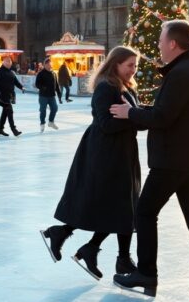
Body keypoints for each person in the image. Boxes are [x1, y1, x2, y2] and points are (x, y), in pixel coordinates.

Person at [110, 20, 189, 301]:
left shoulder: (182, 73)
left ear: (173, 44)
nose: (157, 44)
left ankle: (146, 274)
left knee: (144, 212)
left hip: (174, 159)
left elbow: (163, 118)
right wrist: (137, 109)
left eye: (160, 39)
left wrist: (129, 114)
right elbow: (168, 110)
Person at [40, 46, 141, 281]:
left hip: (122, 152)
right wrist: (132, 117)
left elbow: (133, 115)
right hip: (105, 154)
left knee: (123, 206)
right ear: (115, 64)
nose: (133, 70)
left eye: (135, 65)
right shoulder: (106, 87)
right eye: (129, 65)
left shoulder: (126, 86)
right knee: (113, 204)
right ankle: (76, 239)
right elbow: (105, 123)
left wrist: (137, 114)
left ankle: (81, 242)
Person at [0, 56, 24, 137]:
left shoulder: (11, 72)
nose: (9, 63)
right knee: (9, 111)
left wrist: (21, 87)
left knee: (5, 112)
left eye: (10, 61)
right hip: (2, 95)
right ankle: (14, 129)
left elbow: (15, 81)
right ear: (3, 62)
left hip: (10, 95)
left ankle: (0, 129)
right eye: (7, 61)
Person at [35, 58, 62, 132]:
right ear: (45, 65)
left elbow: (56, 85)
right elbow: (37, 84)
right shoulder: (41, 73)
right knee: (43, 110)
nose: (50, 65)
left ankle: (51, 122)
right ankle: (42, 123)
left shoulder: (54, 73)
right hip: (43, 96)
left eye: (50, 64)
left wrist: (59, 96)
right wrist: (43, 88)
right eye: (48, 64)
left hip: (52, 96)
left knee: (55, 108)